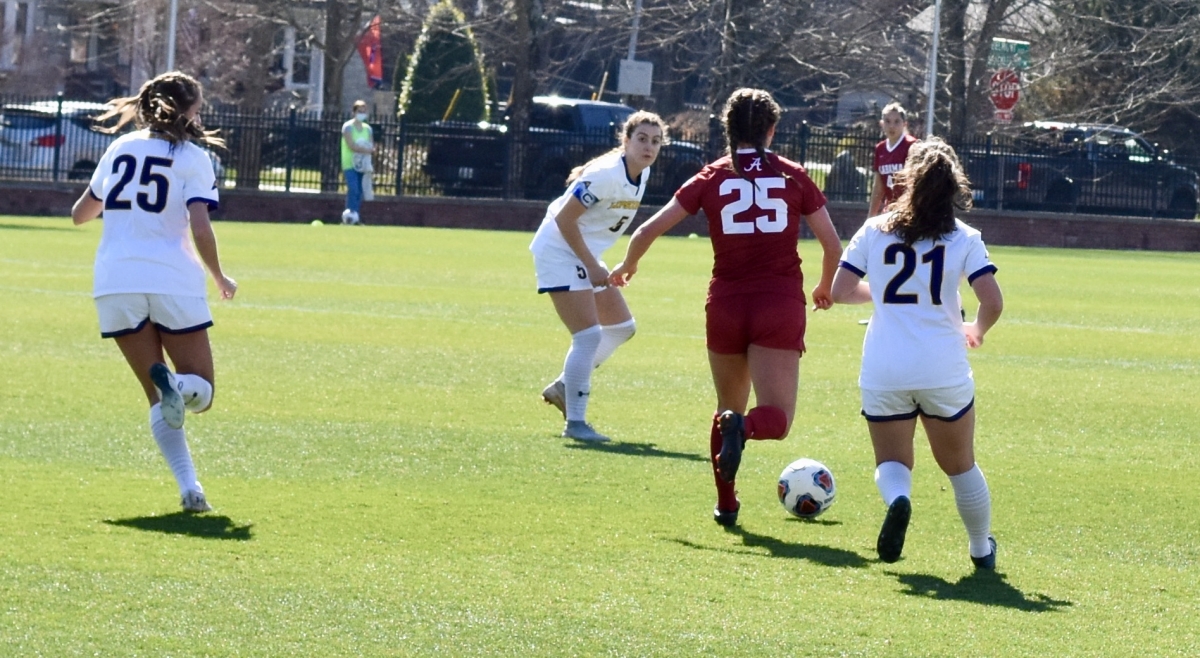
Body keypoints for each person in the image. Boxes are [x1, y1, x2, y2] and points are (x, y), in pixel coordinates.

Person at [609, 88, 843, 526]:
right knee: (775, 418)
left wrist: (628, 265)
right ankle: (745, 429)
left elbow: (646, 231)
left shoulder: (711, 176)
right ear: (772, 130)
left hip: (726, 305)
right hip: (778, 303)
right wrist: (824, 286)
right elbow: (832, 245)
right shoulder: (792, 174)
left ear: (728, 130)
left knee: (726, 408)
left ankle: (727, 504)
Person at [830, 137, 1004, 569]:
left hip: (884, 367)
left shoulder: (874, 230)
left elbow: (840, 290)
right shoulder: (965, 237)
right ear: (954, 186)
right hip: (941, 367)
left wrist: (884, 293)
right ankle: (981, 549)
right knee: (960, 466)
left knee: (892, 461)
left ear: (907, 180)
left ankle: (898, 500)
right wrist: (977, 329)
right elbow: (992, 301)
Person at [70, 71, 237, 513]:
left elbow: (80, 214)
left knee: (159, 399)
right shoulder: (193, 157)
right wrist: (220, 276)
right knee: (201, 394)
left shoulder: (119, 148)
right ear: (187, 112)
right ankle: (177, 384)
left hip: (115, 281)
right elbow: (200, 225)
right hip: (171, 279)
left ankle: (190, 489)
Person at [530, 111, 668, 442]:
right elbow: (565, 220)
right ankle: (576, 423)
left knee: (622, 327)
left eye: (655, 141)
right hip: (559, 251)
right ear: (626, 140)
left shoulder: (642, 173)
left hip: (582, 254)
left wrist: (598, 263)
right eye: (641, 139)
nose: (648, 147)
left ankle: (565, 385)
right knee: (588, 336)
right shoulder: (606, 174)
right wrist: (592, 265)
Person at [867, 102, 918, 217]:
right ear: (881, 124)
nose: (892, 126)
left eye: (897, 121)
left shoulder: (912, 145)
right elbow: (878, 187)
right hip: (890, 209)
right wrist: (870, 216)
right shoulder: (880, 149)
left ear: (904, 124)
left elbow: (917, 183)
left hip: (910, 210)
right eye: (887, 121)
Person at [341, 99, 375, 225]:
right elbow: (351, 145)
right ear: (354, 112)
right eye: (359, 111)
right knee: (353, 188)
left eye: (364, 111)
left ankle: (354, 216)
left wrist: (370, 150)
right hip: (349, 163)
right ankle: (349, 215)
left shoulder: (368, 129)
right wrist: (366, 150)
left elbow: (371, 145)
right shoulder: (348, 127)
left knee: (359, 191)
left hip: (362, 164)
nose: (362, 114)